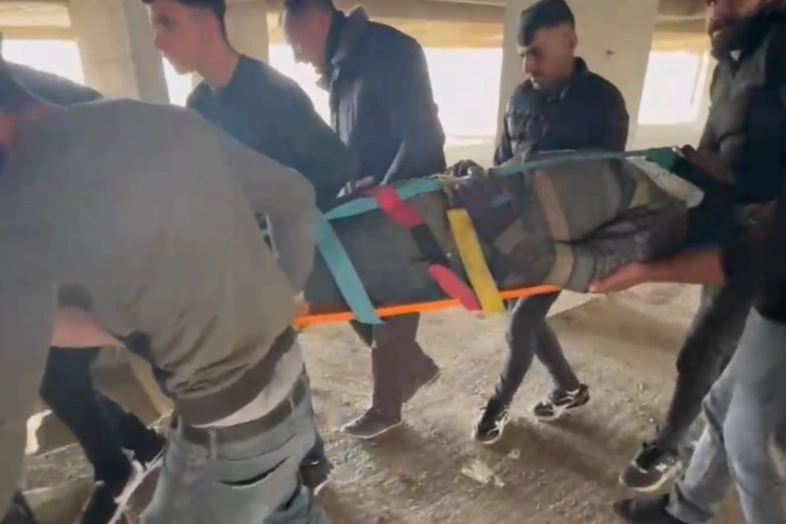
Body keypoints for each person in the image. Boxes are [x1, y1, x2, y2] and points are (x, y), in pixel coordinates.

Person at [0, 50, 331, 524]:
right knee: (283, 509)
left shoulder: (24, 202)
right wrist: (283, 288)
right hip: (290, 379)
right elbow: (295, 195)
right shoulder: (162, 120)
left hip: (228, 431)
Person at [140, 0, 360, 490]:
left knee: (273, 356)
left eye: (167, 23)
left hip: (281, 257)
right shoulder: (198, 108)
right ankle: (304, 458)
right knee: (267, 358)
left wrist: (283, 219)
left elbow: (336, 166)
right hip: (236, 262)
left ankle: (305, 461)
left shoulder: (271, 93)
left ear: (208, 21)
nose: (158, 41)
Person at [619, 0, 786, 493]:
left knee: (716, 359)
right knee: (720, 362)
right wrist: (686, 171)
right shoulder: (729, 67)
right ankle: (687, 488)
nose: (716, 9)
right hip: (733, 234)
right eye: (711, 0)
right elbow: (714, 148)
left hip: (769, 245)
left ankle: (671, 446)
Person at [450, 0, 629, 444]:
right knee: (524, 318)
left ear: (570, 41)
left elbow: (606, 184)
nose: (528, 65)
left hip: (567, 238)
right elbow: (503, 163)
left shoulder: (604, 102)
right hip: (518, 233)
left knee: (520, 324)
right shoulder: (520, 98)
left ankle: (497, 405)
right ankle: (569, 388)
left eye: (537, 53)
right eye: (523, 55)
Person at [7, 62, 165, 524]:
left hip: (120, 235)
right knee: (52, 367)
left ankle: (125, 460)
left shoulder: (40, 106)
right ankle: (132, 448)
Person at [281, 0, 446, 439]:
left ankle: (386, 407)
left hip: (400, 202)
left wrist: (389, 197)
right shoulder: (342, 69)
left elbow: (424, 134)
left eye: (296, 42)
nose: (296, 55)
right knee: (347, 288)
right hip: (364, 205)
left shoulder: (390, 50)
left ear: (319, 20)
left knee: (392, 298)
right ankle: (414, 366)